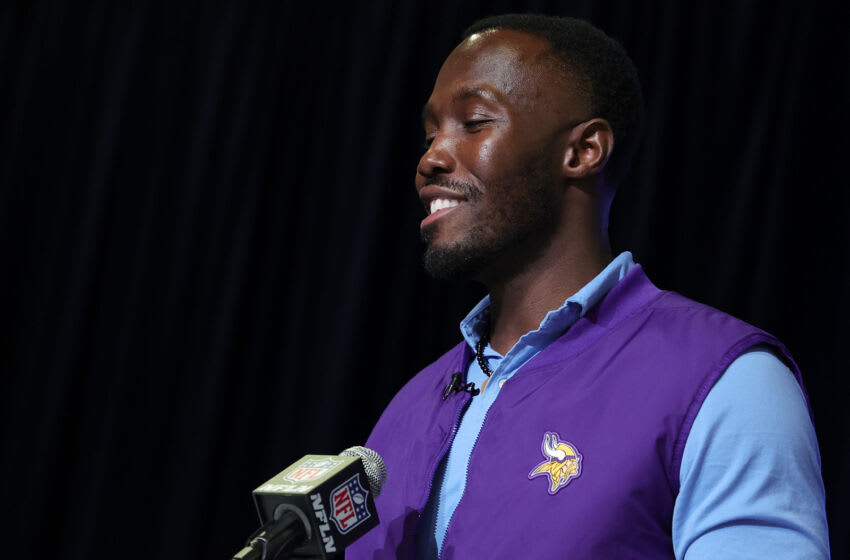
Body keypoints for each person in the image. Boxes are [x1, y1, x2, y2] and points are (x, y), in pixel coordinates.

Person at [346, 14, 829, 559]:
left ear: (582, 152)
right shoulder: (406, 410)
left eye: (475, 121)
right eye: (430, 133)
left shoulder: (725, 379)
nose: (429, 158)